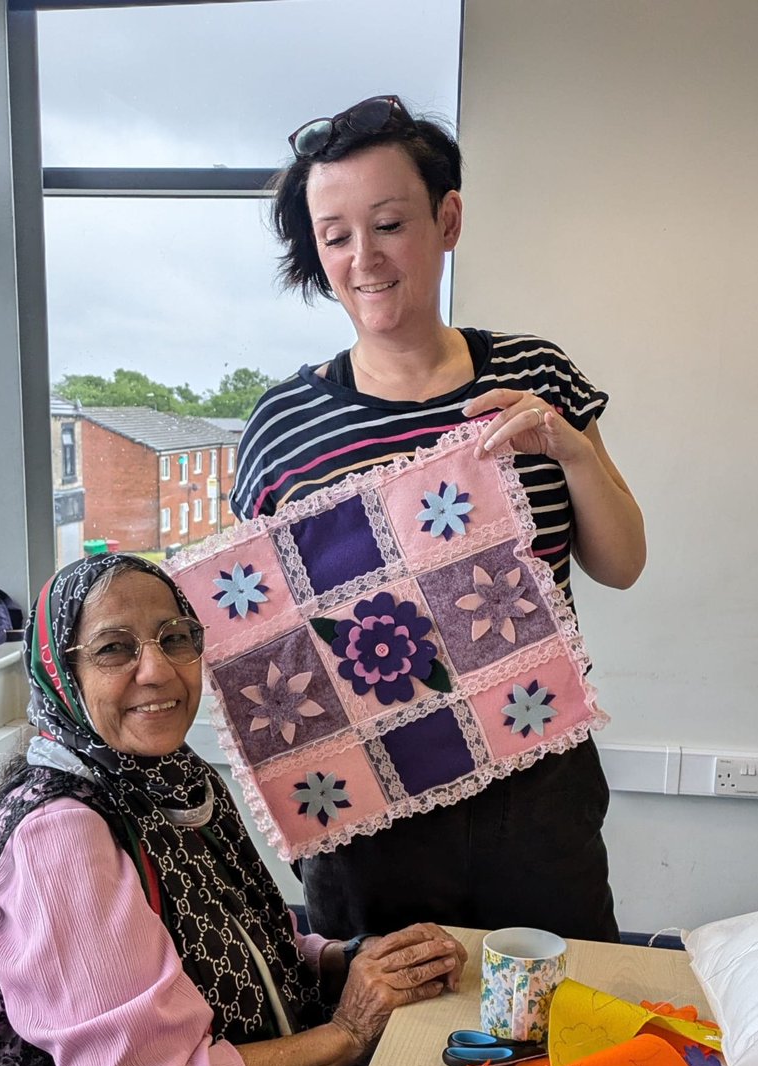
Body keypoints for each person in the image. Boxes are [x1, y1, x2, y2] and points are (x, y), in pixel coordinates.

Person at [229, 94, 646, 945]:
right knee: (391, 1020)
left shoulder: (534, 374)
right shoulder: (285, 428)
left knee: (556, 1002)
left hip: (535, 783)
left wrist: (568, 449)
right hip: (373, 811)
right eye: (335, 236)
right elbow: (261, 632)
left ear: (446, 219)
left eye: (389, 224)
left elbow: (622, 563)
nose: (364, 258)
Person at [0, 553, 466, 1066]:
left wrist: (348, 959)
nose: (158, 670)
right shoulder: (59, 838)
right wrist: (349, 1031)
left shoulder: (171, 779)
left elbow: (235, 946)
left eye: (175, 638)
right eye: (113, 648)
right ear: (61, 673)